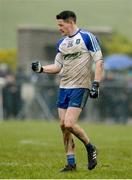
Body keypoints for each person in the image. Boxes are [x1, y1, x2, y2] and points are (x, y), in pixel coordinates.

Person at [31, 10, 104, 172]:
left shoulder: (87, 37)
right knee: (63, 126)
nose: (59, 28)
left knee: (69, 123)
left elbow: (99, 62)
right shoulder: (61, 43)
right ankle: (71, 163)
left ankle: (90, 147)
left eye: (61, 25)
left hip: (80, 86)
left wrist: (96, 84)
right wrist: (41, 69)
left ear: (70, 22)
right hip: (64, 87)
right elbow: (57, 67)